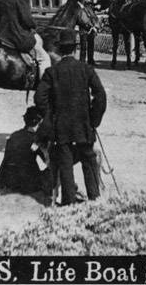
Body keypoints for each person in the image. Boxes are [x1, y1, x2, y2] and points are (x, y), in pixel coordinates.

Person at [34, 28, 107, 206]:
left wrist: (51, 116)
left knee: (65, 165)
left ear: (59, 50)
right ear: (74, 49)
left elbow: (39, 98)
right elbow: (101, 96)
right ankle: (94, 200)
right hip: (84, 126)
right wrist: (93, 120)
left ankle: (69, 203)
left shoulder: (52, 72)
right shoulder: (86, 69)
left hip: (62, 129)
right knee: (89, 161)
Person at [0, 0, 51, 77]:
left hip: (3, 35)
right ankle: (44, 86)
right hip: (18, 36)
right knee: (44, 58)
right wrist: (35, 25)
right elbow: (27, 20)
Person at [0, 106, 53, 202]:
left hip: (6, 180)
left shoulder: (13, 136)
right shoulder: (36, 139)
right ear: (38, 123)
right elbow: (47, 161)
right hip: (27, 185)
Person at [77, 0, 96, 66]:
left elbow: (93, 16)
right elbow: (80, 19)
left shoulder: (90, 5)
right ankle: (82, 62)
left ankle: (91, 61)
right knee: (83, 47)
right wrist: (87, 26)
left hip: (92, 29)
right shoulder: (79, 5)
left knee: (91, 46)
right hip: (83, 29)